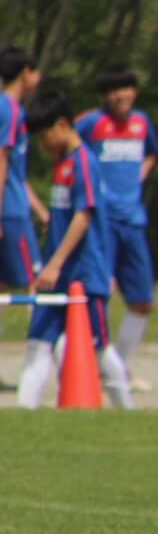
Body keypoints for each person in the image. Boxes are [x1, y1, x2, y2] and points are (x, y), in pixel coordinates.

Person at [16, 91, 134, 409]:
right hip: (56, 276)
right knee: (38, 344)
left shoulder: (84, 162)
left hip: (83, 272)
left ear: (63, 125)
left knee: (99, 347)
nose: (42, 146)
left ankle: (128, 409)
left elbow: (85, 215)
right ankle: (23, 415)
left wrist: (54, 263)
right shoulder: (61, 163)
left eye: (44, 136)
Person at [75, 67, 158, 393]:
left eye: (125, 89)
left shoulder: (142, 123)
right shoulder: (91, 123)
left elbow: (154, 151)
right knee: (99, 294)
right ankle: (94, 365)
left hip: (133, 220)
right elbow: (68, 149)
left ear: (134, 92)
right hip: (101, 222)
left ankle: (118, 367)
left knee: (142, 300)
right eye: (113, 90)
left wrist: (140, 174)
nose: (119, 96)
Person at [1, 46, 48, 365]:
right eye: (35, 70)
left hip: (17, 206)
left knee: (4, 287)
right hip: (10, 213)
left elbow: (16, 173)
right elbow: (2, 163)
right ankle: (41, 364)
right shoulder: (11, 111)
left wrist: (41, 210)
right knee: (39, 283)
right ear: (25, 73)